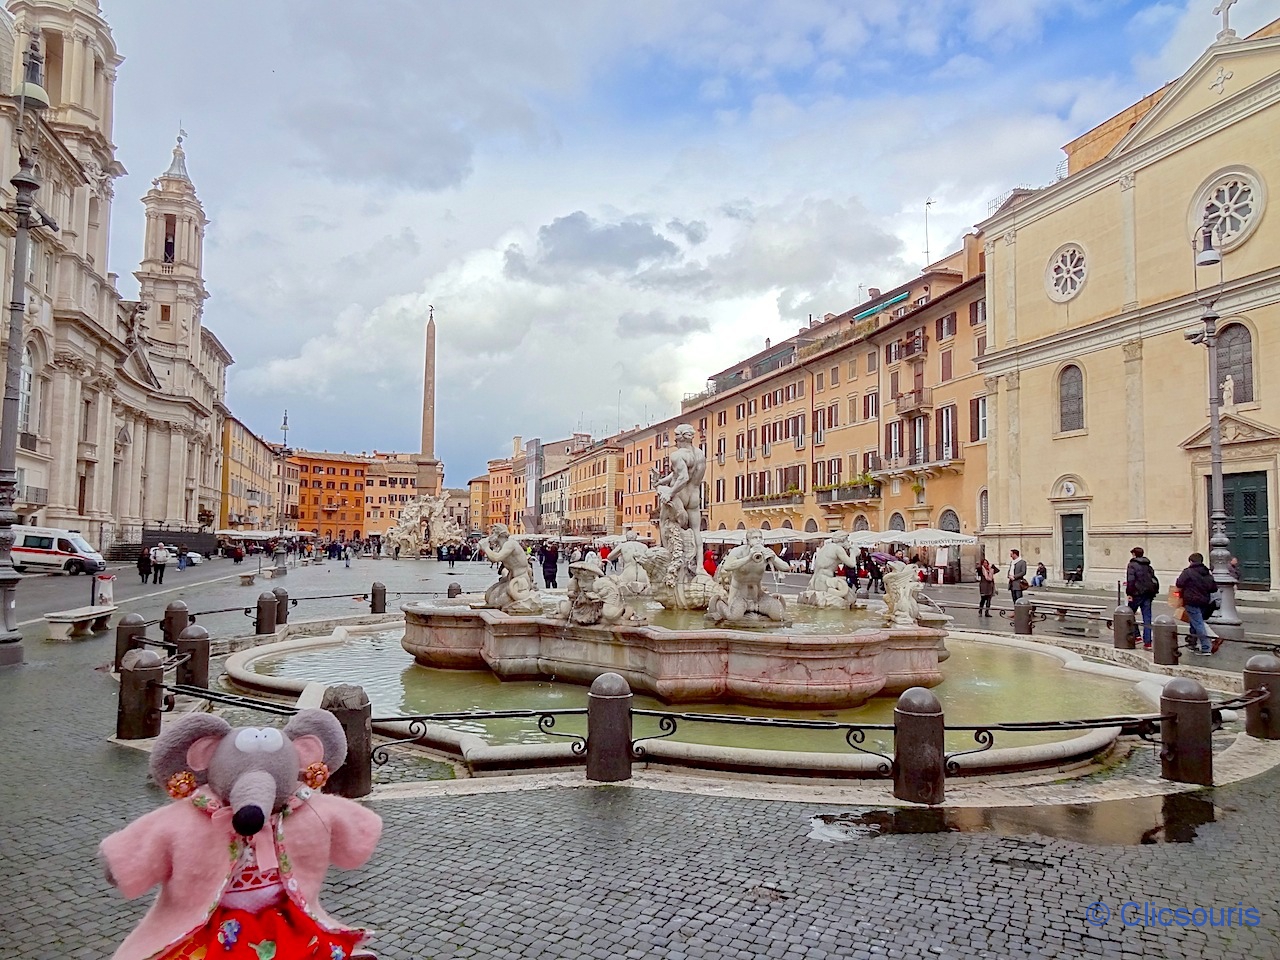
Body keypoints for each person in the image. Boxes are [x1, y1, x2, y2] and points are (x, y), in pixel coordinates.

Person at [1176, 553, 1217, 656]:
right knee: (1195, 622)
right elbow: (1213, 588)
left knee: (1198, 623)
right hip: (1204, 601)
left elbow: (1179, 583)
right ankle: (1192, 643)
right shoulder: (1207, 572)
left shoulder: (1187, 572)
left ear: (1191, 561)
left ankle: (1206, 648)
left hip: (1191, 601)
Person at [1125, 546, 1160, 649]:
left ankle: (1137, 635)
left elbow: (1130, 580)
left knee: (1129, 614)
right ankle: (1148, 642)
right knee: (1147, 617)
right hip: (1148, 593)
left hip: (1136, 593)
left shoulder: (1132, 565)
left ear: (1134, 554)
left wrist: (1129, 594)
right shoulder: (1148, 566)